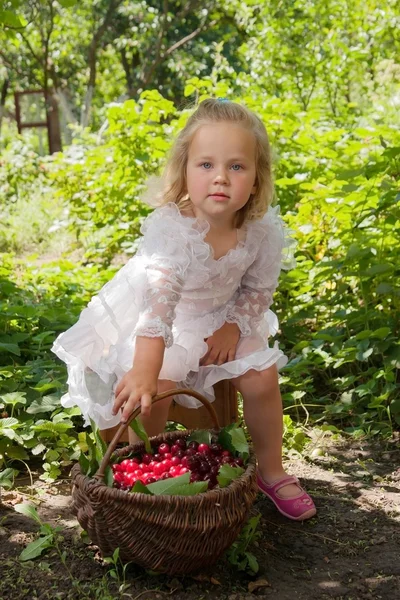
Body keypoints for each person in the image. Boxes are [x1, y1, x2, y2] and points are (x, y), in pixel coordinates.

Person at [52, 98, 316, 521]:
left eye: (236, 167)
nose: (221, 179)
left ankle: (271, 470)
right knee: (154, 388)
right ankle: (141, 473)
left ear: (256, 177)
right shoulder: (175, 232)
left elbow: (258, 289)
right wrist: (144, 371)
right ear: (184, 170)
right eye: (206, 165)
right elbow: (158, 311)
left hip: (224, 319)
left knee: (262, 374)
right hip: (162, 324)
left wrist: (234, 326)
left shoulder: (261, 231)